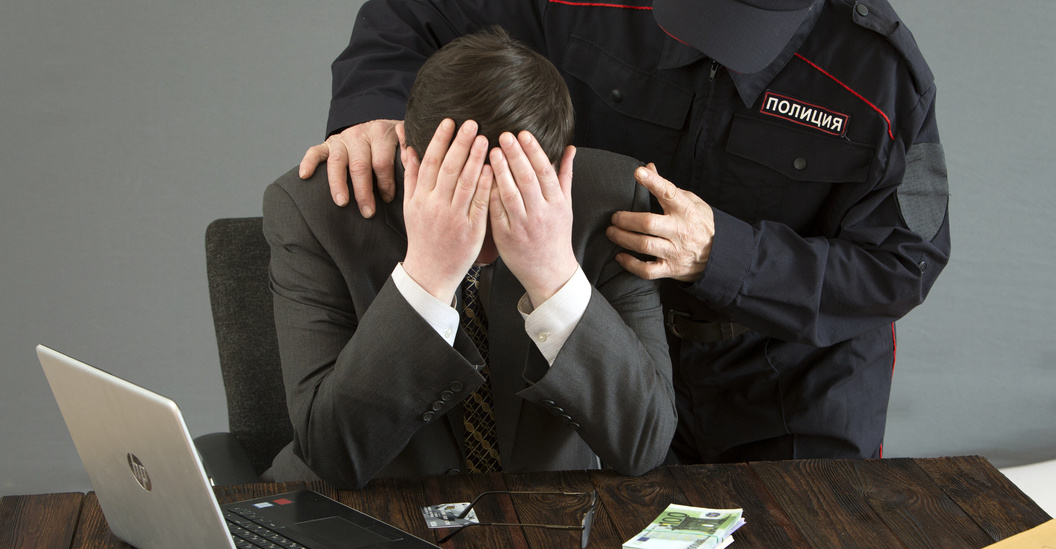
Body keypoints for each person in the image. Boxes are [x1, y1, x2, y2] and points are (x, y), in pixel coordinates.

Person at [299, 0, 951, 463]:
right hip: (615, 342)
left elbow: (904, 264)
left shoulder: (884, 76)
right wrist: (372, 111)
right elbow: (412, 11)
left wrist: (724, 256)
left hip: (791, 384)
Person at [263, 28, 676, 490]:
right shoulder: (313, 208)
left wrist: (554, 275)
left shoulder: (612, 198)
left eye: (509, 205)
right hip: (369, 506)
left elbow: (645, 443)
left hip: (547, 513)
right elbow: (331, 454)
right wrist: (427, 277)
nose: (480, 236)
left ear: (560, 167)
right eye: (459, 197)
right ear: (408, 153)